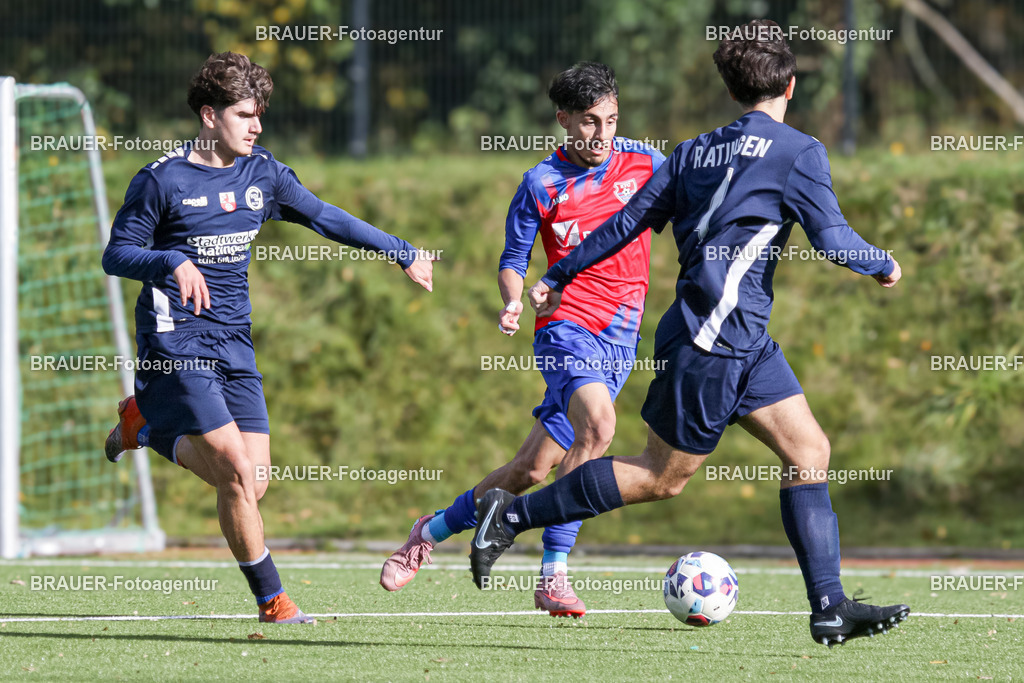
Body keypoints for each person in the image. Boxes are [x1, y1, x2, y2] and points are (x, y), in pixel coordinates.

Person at [468, 20, 909, 647]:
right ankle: (510, 514)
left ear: (731, 92)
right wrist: (884, 263)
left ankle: (830, 606)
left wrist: (558, 272)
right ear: (789, 85)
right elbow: (833, 240)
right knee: (660, 476)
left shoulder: (693, 152)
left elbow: (624, 225)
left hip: (741, 338)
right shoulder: (799, 150)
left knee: (810, 453)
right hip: (712, 341)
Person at [102, 51, 434, 624]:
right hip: (175, 343)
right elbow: (117, 254)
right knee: (231, 465)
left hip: (234, 342)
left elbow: (326, 217)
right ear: (209, 115)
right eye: (244, 115)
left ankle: (146, 428)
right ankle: (273, 601)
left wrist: (400, 250)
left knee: (252, 483)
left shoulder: (264, 174)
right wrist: (169, 264)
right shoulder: (161, 180)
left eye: (260, 115)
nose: (257, 127)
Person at [380, 62, 664, 618]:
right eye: (588, 122)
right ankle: (553, 574)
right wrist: (513, 299)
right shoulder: (542, 184)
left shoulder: (645, 161)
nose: (602, 134)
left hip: (622, 339)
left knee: (529, 472)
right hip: (566, 328)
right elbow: (514, 261)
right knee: (600, 428)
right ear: (563, 120)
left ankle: (428, 530)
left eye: (610, 119)